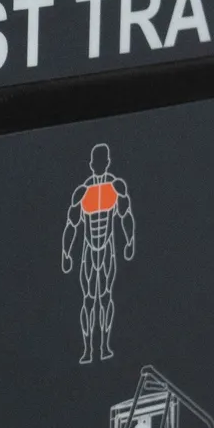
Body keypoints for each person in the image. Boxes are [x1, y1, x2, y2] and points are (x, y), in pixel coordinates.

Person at [61, 143, 136, 364]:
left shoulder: (116, 187)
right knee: (88, 299)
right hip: (88, 250)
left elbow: (125, 215)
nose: (98, 165)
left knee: (105, 297)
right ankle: (87, 349)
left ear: (106, 163)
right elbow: (72, 224)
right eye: (96, 161)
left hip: (107, 249)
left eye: (102, 161)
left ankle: (104, 346)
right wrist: (66, 252)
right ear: (92, 164)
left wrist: (130, 240)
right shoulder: (82, 192)